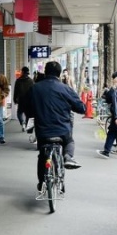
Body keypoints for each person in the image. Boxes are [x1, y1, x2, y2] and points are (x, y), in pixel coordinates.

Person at [24, 60, 86, 192]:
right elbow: (81, 108)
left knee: (42, 155)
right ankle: (68, 157)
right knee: (69, 141)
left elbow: (26, 107)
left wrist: (34, 114)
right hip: (62, 130)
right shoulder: (65, 88)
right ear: (59, 74)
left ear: (45, 72)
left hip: (42, 130)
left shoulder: (35, 88)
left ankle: (42, 182)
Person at [13, 66, 34, 131]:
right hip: (29, 101)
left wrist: (14, 98)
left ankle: (22, 123)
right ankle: (27, 125)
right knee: (28, 114)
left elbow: (15, 91)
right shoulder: (31, 81)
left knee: (19, 113)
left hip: (21, 100)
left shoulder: (18, 81)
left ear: (22, 72)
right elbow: (33, 91)